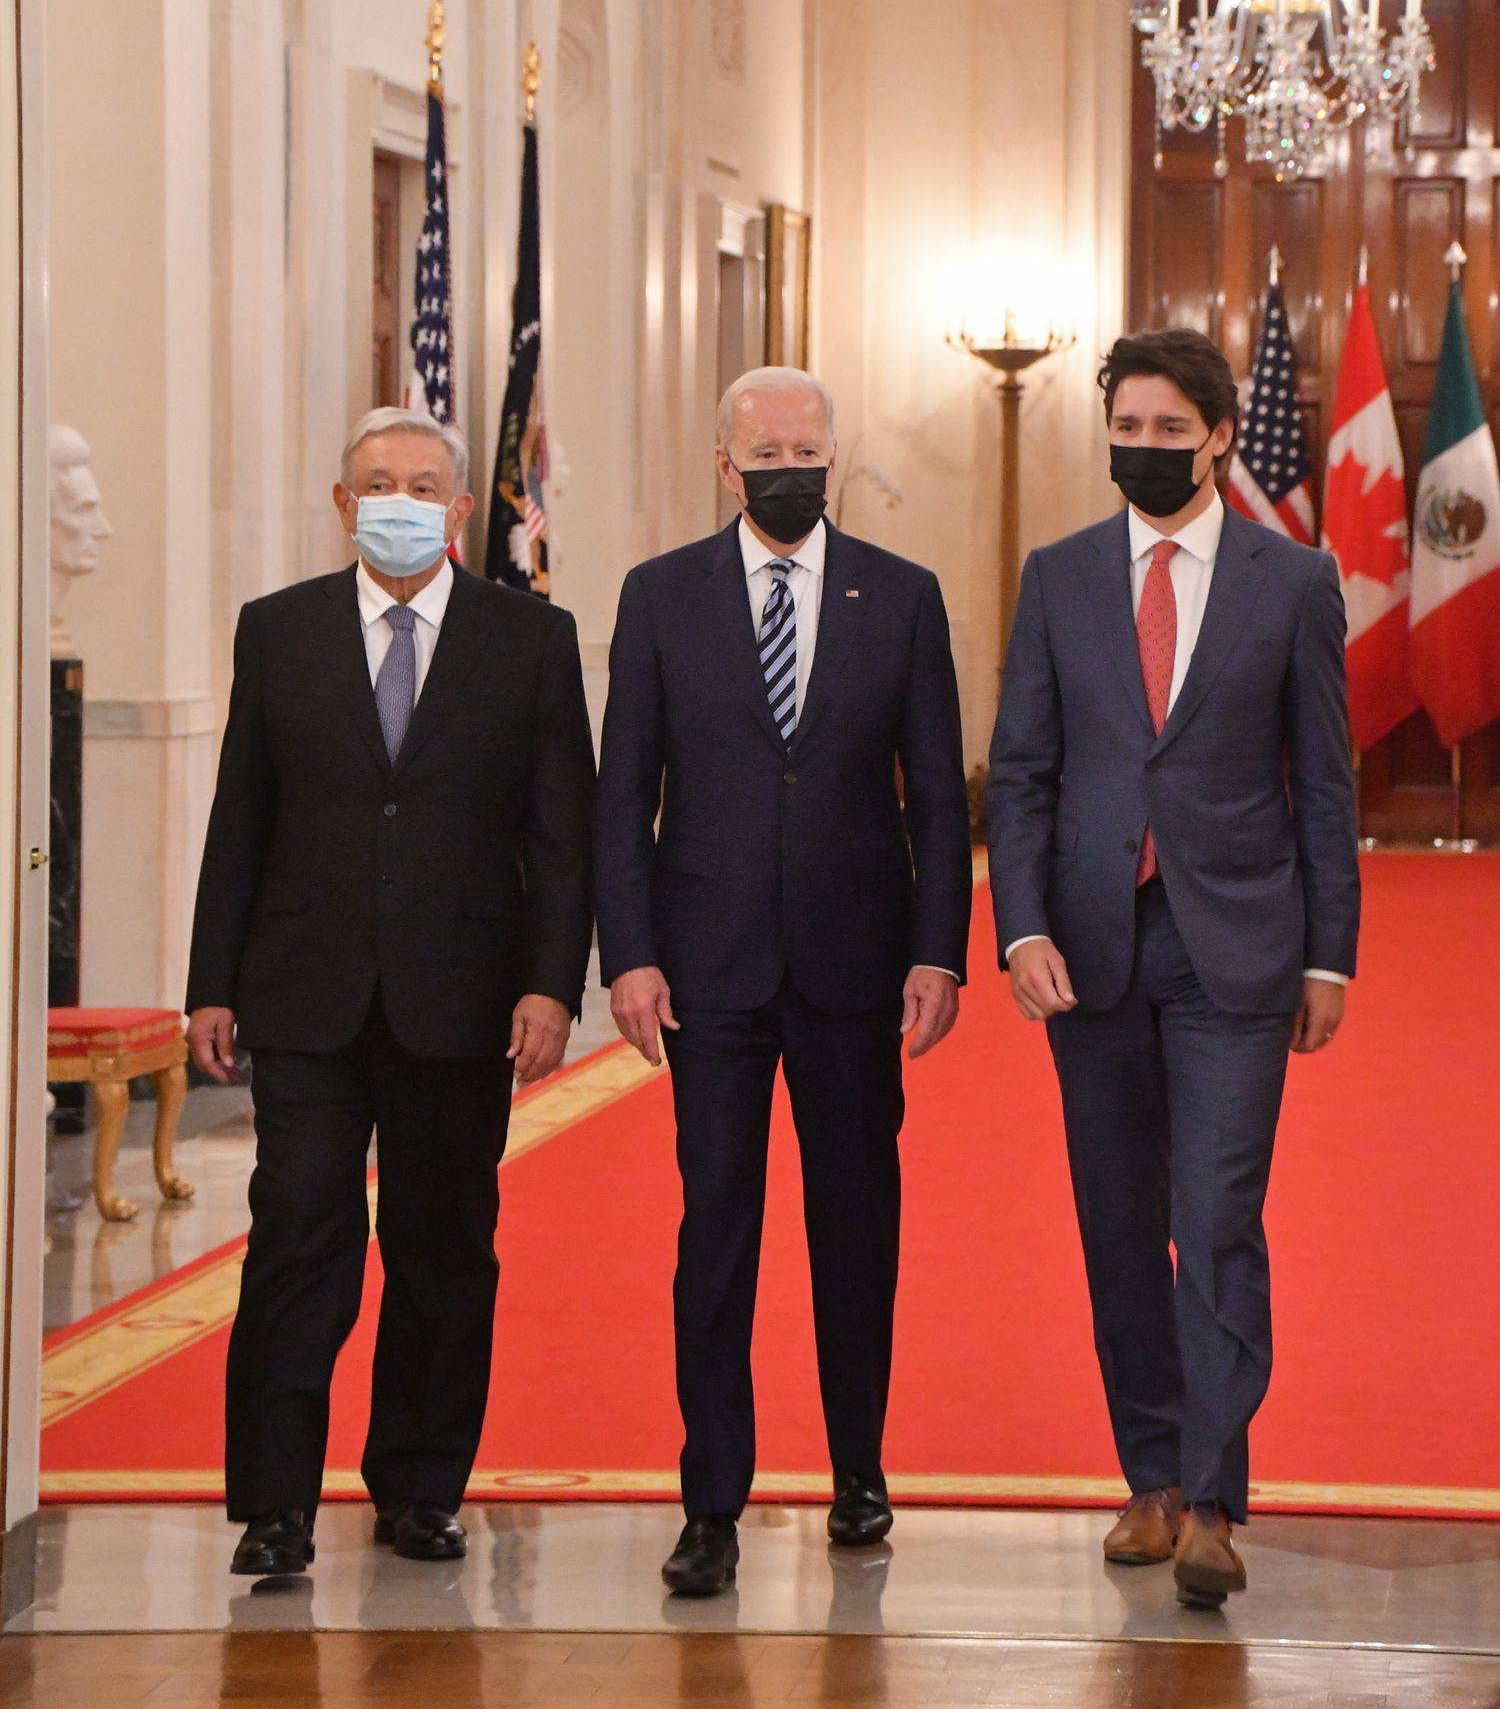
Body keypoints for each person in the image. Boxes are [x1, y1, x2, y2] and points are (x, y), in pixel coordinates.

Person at [185, 407, 594, 1577]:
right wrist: (211, 984)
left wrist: (551, 987)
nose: (400, 499)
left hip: (460, 998)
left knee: (443, 1247)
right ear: (341, 501)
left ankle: (419, 1487)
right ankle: (274, 1504)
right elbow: (240, 821)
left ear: (462, 509)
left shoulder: (531, 639)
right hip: (303, 994)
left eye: (424, 483)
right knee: (298, 1237)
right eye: (378, 482)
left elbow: (559, 832)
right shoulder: (278, 632)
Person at [986, 329, 1360, 1608]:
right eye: (1123, 428)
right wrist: (1019, 926)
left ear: (1215, 437)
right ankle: (1146, 1477)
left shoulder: (1295, 580)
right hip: (1088, 952)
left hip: (1236, 950)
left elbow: (1325, 784)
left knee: (1215, 1216)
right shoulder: (1060, 576)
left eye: (1164, 429)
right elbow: (1023, 771)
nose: (1140, 448)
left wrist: (1331, 959)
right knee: (1115, 1224)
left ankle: (1211, 1498)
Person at [595, 366, 972, 1598]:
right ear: (726, 464)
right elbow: (622, 795)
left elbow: (940, 793)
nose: (793, 470)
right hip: (708, 972)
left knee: (857, 1228)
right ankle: (714, 1499)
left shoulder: (904, 598)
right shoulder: (659, 598)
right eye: (771, 452)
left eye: (813, 451)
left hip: (858, 970)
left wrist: (938, 949)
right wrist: (630, 954)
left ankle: (858, 1471)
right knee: (717, 1234)